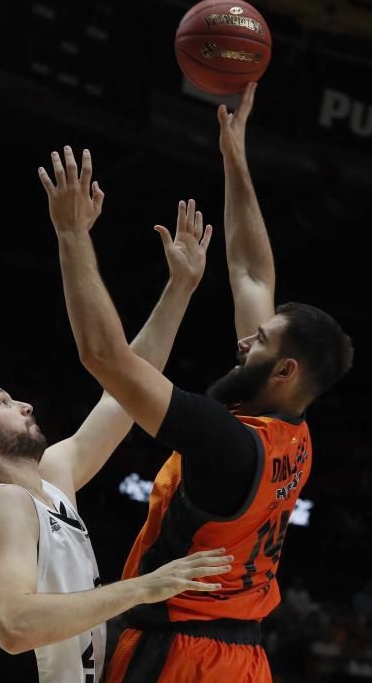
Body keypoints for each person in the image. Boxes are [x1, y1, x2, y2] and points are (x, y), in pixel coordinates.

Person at [38, 85, 354, 682]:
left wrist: (72, 235)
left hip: (182, 656)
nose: (244, 340)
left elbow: (105, 356)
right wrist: (235, 156)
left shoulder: (226, 444)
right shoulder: (294, 430)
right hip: (244, 658)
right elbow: (250, 271)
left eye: (260, 342)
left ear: (285, 371)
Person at [0, 194, 232, 683]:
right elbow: (15, 626)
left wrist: (179, 289)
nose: (24, 405)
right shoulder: (2, 503)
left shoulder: (52, 482)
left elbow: (124, 391)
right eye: (1, 401)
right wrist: (143, 588)